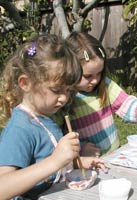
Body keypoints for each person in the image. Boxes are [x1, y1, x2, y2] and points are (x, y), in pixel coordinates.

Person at [0, 34, 106, 200]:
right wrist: (55, 161)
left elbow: (46, 166)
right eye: (56, 90)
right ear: (25, 83)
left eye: (68, 91)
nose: (64, 98)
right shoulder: (20, 129)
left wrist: (77, 162)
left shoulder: (45, 118)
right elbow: (2, 187)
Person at [52, 32, 137, 156]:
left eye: (99, 73)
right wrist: (81, 148)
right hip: (88, 166)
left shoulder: (105, 86)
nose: (95, 80)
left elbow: (125, 104)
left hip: (113, 157)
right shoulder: (64, 99)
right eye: (87, 76)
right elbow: (57, 137)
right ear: (70, 70)